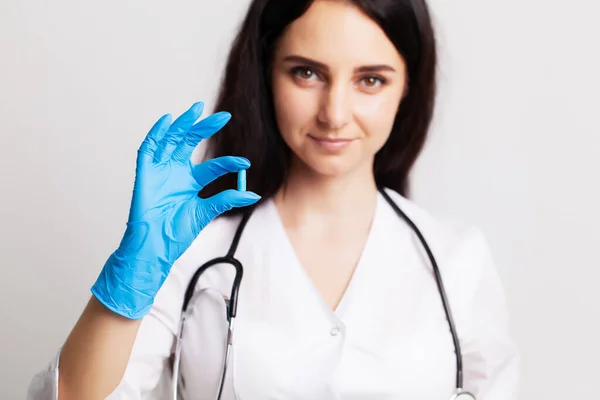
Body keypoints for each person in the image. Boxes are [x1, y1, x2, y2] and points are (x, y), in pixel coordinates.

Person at [28, 0, 519, 399]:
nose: (335, 114)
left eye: (371, 79)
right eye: (306, 73)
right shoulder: (193, 249)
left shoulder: (457, 259)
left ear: (408, 87)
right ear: (265, 74)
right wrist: (127, 279)